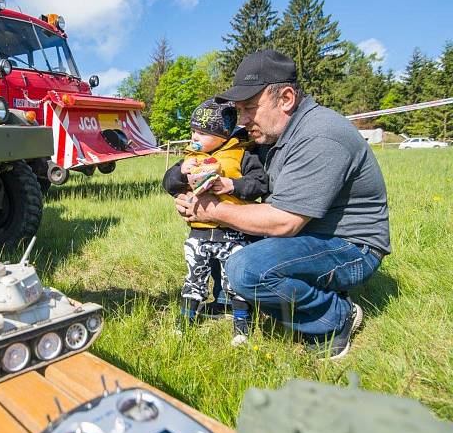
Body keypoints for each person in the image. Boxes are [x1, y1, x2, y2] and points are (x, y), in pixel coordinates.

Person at [175, 49, 390, 360]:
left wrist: (209, 210)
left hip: (351, 247)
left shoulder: (321, 135)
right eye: (238, 110)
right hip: (311, 237)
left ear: (286, 98)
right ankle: (234, 301)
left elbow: (283, 222)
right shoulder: (272, 132)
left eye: (249, 108)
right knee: (231, 246)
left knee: (246, 268)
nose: (242, 120)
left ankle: (335, 315)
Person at [163, 99, 268, 344]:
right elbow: (168, 184)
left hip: (232, 233)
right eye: (193, 131)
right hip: (198, 234)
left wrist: (232, 185)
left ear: (222, 134)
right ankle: (185, 321)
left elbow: (260, 183)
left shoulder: (242, 154)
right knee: (194, 277)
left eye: (201, 132)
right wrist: (180, 173)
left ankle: (242, 325)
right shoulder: (191, 157)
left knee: (234, 280)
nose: (194, 136)